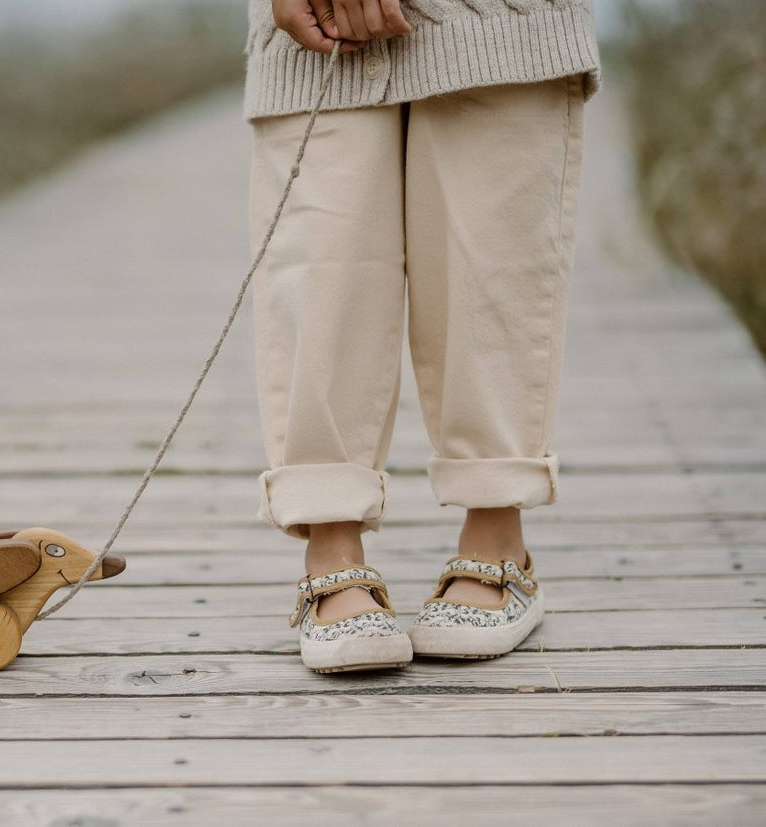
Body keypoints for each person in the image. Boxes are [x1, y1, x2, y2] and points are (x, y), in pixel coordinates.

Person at [246, 0, 601, 672]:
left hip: (501, 19)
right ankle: (331, 541)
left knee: (491, 262)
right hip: (318, 28)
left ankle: (498, 534)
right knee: (324, 266)